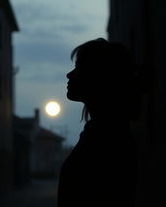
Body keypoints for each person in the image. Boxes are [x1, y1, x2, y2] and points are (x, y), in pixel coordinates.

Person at [57, 38, 141, 206]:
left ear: (98, 76)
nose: (69, 74)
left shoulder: (108, 139)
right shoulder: (104, 132)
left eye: (78, 68)